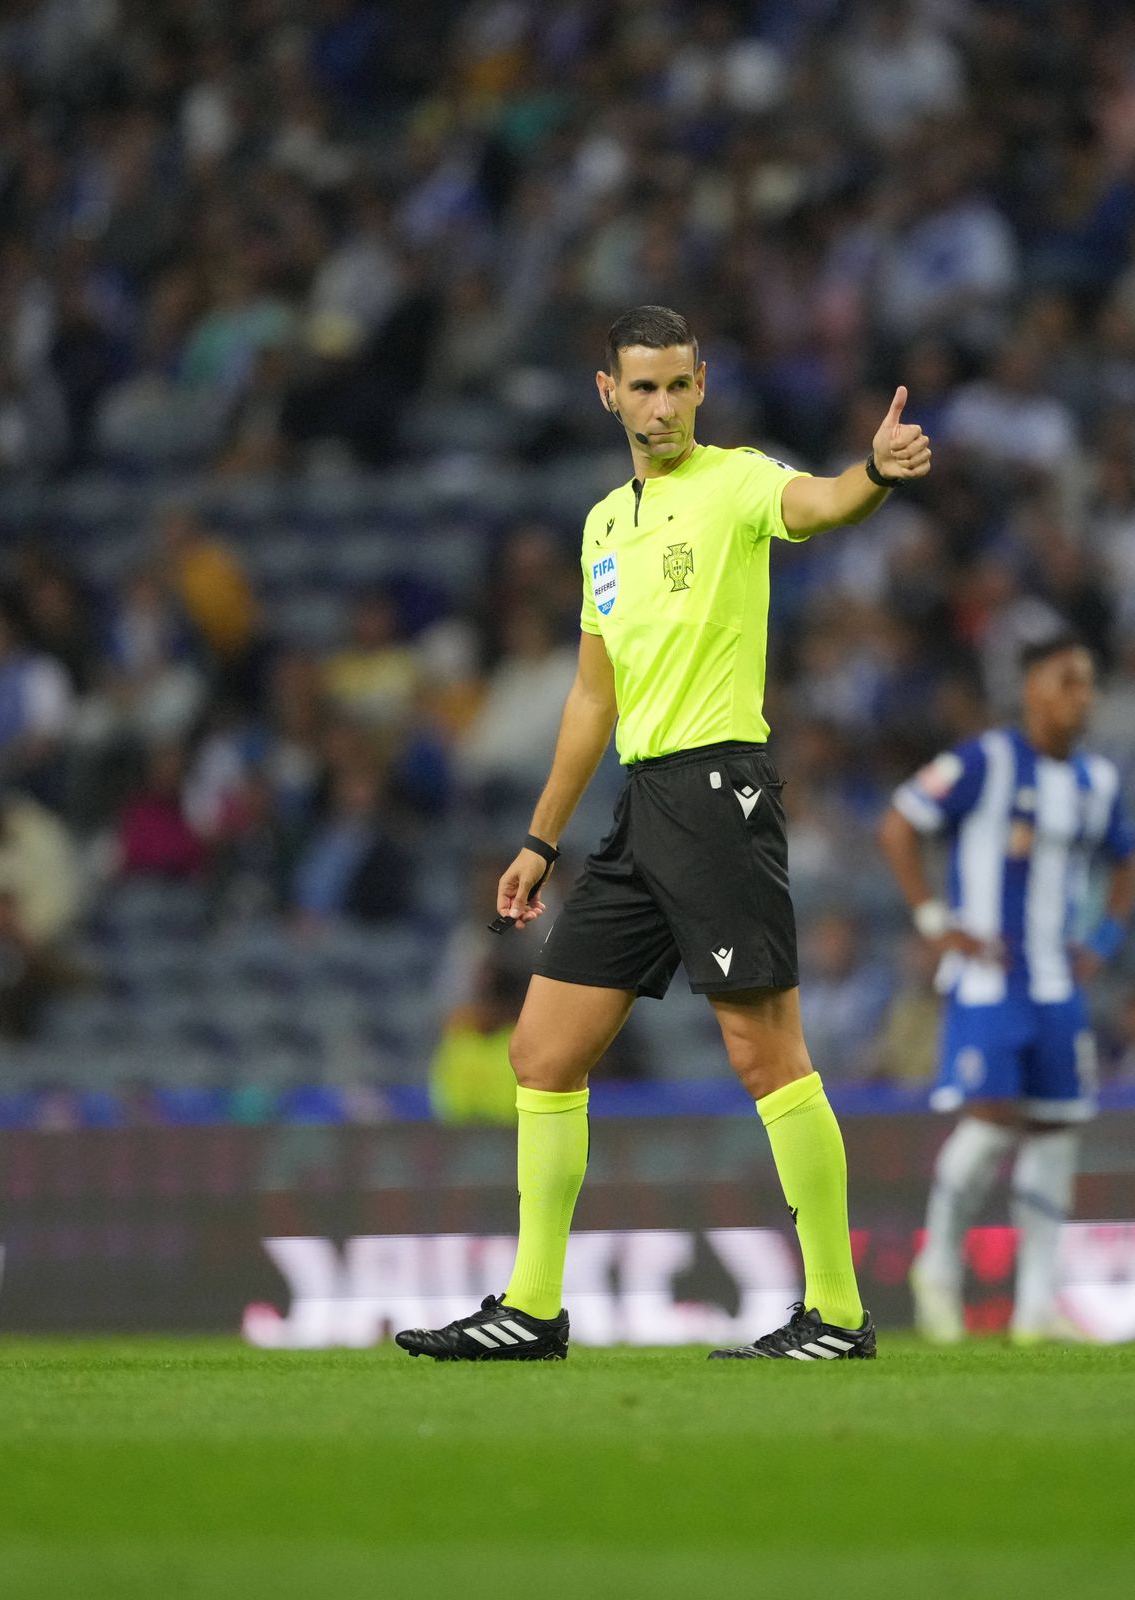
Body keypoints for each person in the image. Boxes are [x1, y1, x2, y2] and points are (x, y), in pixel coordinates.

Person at [397, 303, 931, 1363]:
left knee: (764, 1051)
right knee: (542, 1051)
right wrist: (541, 841)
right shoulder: (604, 526)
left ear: (703, 385)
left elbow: (818, 504)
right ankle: (533, 1308)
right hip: (640, 809)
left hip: (722, 792)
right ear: (609, 393)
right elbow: (592, 700)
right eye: (641, 386)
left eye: (677, 384)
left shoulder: (734, 482)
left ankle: (835, 1312)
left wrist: (869, 470)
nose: (661, 404)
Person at [878, 634, 1134, 1342]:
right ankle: (938, 1271)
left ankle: (1034, 1307)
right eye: (1068, 682)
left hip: (1058, 981)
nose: (1082, 697)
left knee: (1055, 1130)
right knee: (991, 1125)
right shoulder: (984, 762)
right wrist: (935, 920)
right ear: (1032, 690)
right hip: (990, 977)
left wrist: (1105, 941)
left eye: (1088, 684)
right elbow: (900, 823)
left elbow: (1124, 859)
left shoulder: (1097, 782)